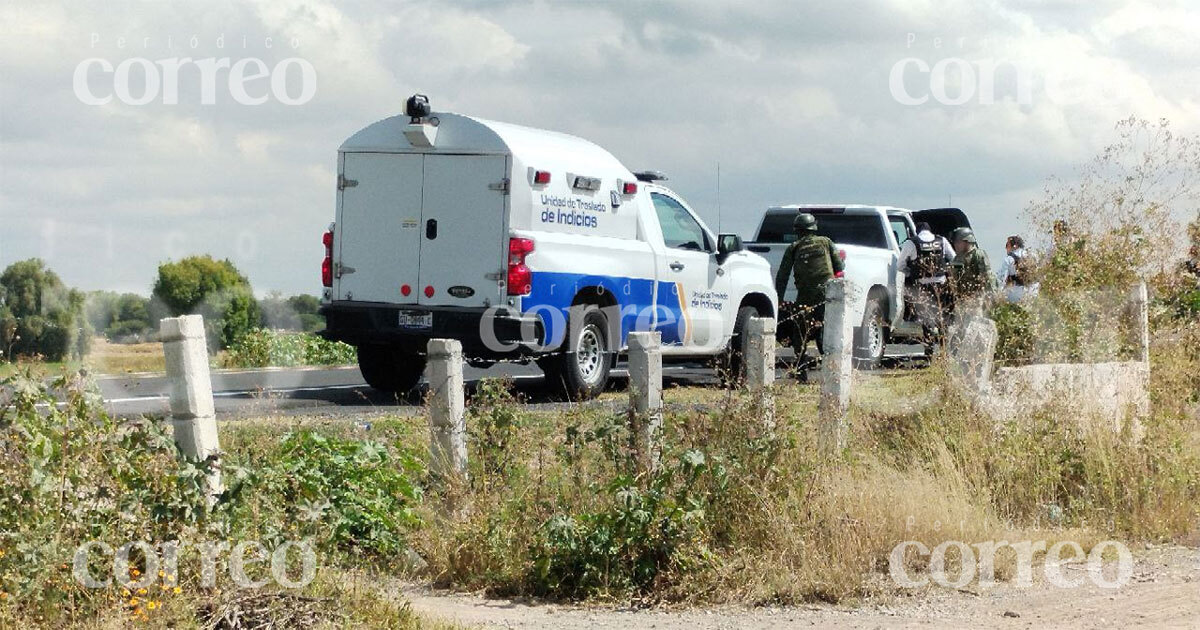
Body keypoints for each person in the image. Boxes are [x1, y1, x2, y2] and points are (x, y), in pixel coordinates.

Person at [775, 212, 844, 363]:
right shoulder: (826, 242)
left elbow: (782, 276)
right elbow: (839, 267)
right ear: (814, 228)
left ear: (797, 231)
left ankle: (800, 365)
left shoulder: (794, 247)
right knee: (828, 329)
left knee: (800, 331)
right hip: (827, 295)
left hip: (805, 297)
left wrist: (778, 299)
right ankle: (832, 364)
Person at [899, 222, 954, 350]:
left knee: (926, 318)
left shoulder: (911, 243)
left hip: (923, 287)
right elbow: (953, 258)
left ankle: (929, 350)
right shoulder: (942, 240)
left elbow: (900, 265)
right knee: (941, 316)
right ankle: (943, 347)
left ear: (917, 232)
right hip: (941, 285)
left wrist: (910, 272)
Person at [949, 226, 994, 312]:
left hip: (976, 300)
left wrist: (989, 298)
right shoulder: (957, 258)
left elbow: (987, 277)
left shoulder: (978, 255)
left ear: (967, 241)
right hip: (962, 301)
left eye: (958, 242)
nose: (955, 245)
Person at [996, 234, 1039, 303]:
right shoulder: (1032, 255)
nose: (1005, 248)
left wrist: (998, 297)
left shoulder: (1009, 259)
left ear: (1015, 246)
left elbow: (1002, 280)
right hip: (1035, 292)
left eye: (1007, 245)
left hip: (1018, 294)